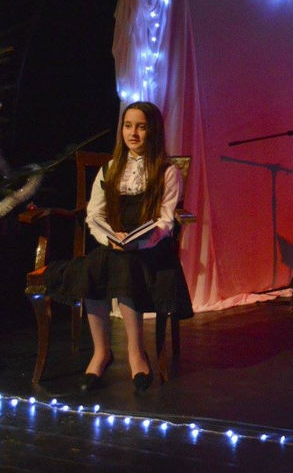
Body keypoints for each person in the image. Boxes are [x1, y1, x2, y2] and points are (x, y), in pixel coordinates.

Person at [46, 101, 193, 393]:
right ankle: (101, 352)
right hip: (115, 245)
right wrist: (111, 238)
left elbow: (165, 221)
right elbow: (94, 214)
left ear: (153, 131)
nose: (133, 133)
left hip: (151, 252)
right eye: (128, 126)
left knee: (124, 265)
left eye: (141, 127)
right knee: (92, 268)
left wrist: (141, 241)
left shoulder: (166, 172)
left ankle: (137, 353)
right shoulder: (111, 169)